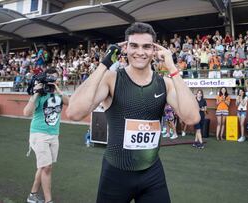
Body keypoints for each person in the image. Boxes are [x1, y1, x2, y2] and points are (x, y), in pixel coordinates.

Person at [66, 22, 200, 203]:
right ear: (125, 48)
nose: (140, 52)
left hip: (152, 173)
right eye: (134, 45)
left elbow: (192, 117)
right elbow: (74, 112)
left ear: (154, 50)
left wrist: (172, 68)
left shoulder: (165, 83)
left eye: (146, 46)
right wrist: (105, 64)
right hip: (115, 173)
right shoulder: (112, 79)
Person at [23, 68, 69, 203]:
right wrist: (36, 93)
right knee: (47, 167)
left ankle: (32, 195)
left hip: (54, 134)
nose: (52, 81)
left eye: (55, 78)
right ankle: (49, 201)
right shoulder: (40, 94)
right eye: (50, 78)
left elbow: (70, 104)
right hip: (39, 133)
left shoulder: (58, 94)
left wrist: (59, 91)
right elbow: (26, 112)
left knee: (44, 167)